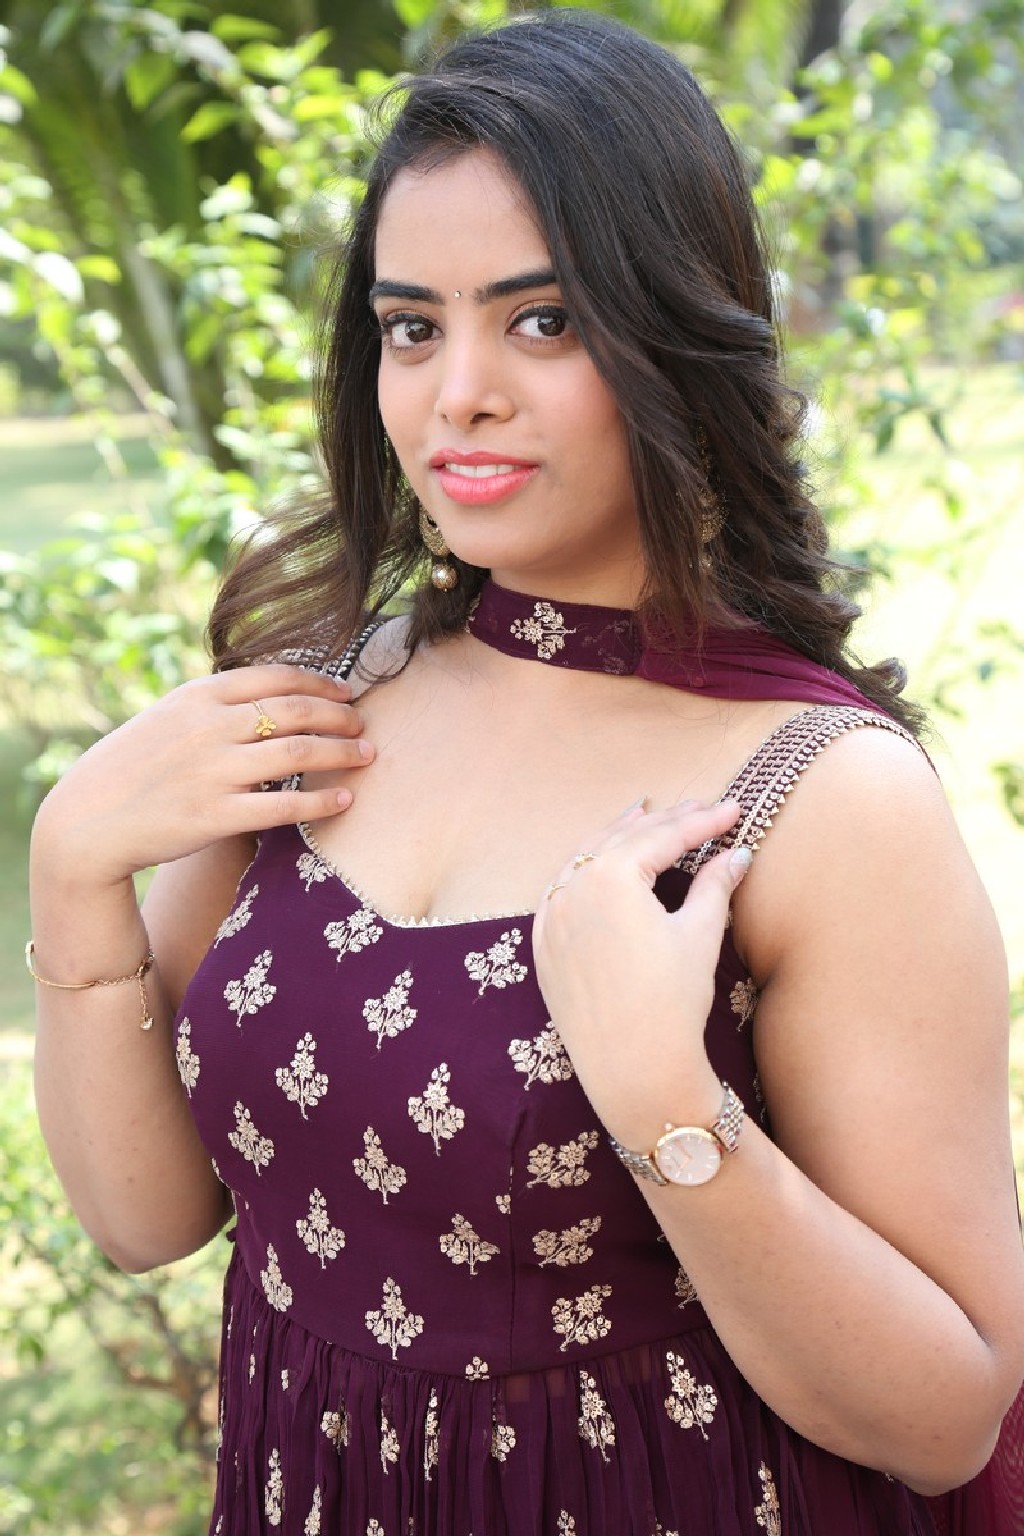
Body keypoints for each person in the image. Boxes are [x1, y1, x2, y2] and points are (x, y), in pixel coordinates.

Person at [27, 11, 1024, 1535]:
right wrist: (74, 868)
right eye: (413, 327)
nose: (459, 395)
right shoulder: (321, 706)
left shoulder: (822, 798)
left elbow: (948, 1420)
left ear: (671, 333)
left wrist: (663, 1100)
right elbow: (150, 1218)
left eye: (543, 321)